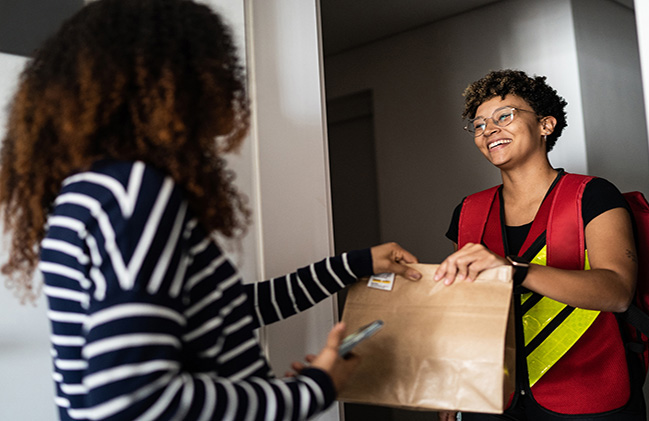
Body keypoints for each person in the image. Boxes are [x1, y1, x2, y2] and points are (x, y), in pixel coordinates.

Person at [0, 0, 423, 420]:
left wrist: (356, 263)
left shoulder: (91, 191)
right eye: (214, 64)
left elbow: (223, 310)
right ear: (168, 78)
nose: (229, 80)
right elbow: (132, 401)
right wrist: (313, 390)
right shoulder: (135, 192)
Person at [433, 70, 645, 420]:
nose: (489, 130)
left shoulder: (591, 195)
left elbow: (618, 290)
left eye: (505, 116)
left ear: (546, 125)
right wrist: (453, 384)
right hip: (490, 397)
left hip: (586, 395)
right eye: (480, 124)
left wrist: (515, 270)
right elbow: (466, 307)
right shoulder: (469, 210)